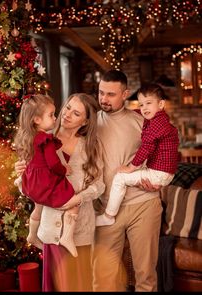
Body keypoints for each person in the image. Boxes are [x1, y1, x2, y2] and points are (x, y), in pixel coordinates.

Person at [15, 92, 105, 291]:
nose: (67, 114)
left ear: (86, 121)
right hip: (51, 229)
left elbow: (99, 186)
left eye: (76, 113)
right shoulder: (42, 139)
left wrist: (77, 199)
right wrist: (20, 175)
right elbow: (29, 187)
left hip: (78, 230)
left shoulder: (91, 147)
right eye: (67, 107)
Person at [92, 70, 166, 292]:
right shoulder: (90, 125)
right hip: (106, 209)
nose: (104, 99)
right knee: (103, 278)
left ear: (125, 94)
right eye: (101, 93)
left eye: (111, 94)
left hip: (143, 204)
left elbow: (164, 156)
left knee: (145, 276)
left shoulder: (143, 122)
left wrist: (157, 181)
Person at [96, 83, 179, 227]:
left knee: (120, 178)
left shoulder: (156, 125)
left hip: (158, 174)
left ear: (161, 104)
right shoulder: (159, 119)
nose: (144, 108)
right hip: (162, 172)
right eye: (141, 105)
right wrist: (137, 110)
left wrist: (131, 167)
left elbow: (146, 147)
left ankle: (108, 215)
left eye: (148, 103)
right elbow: (143, 112)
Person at [13, 94, 79, 257]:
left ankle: (32, 235)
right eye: (51, 115)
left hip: (33, 183)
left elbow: (30, 160)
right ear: (36, 119)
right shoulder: (45, 139)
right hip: (45, 182)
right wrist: (64, 170)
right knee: (75, 202)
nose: (55, 118)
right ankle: (67, 237)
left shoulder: (27, 137)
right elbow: (53, 164)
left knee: (38, 206)